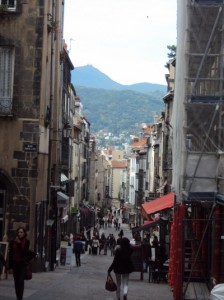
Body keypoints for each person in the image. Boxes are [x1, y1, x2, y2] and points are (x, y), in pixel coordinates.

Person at [8, 227, 36, 300]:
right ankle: (18, 297)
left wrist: (19, 244)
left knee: (21, 281)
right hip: (15, 264)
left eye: (21, 232)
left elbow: (24, 253)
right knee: (16, 282)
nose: (19, 234)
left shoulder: (26, 242)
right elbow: (10, 254)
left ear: (24, 234)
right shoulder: (12, 242)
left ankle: (20, 298)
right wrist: (10, 267)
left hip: (22, 264)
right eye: (18, 232)